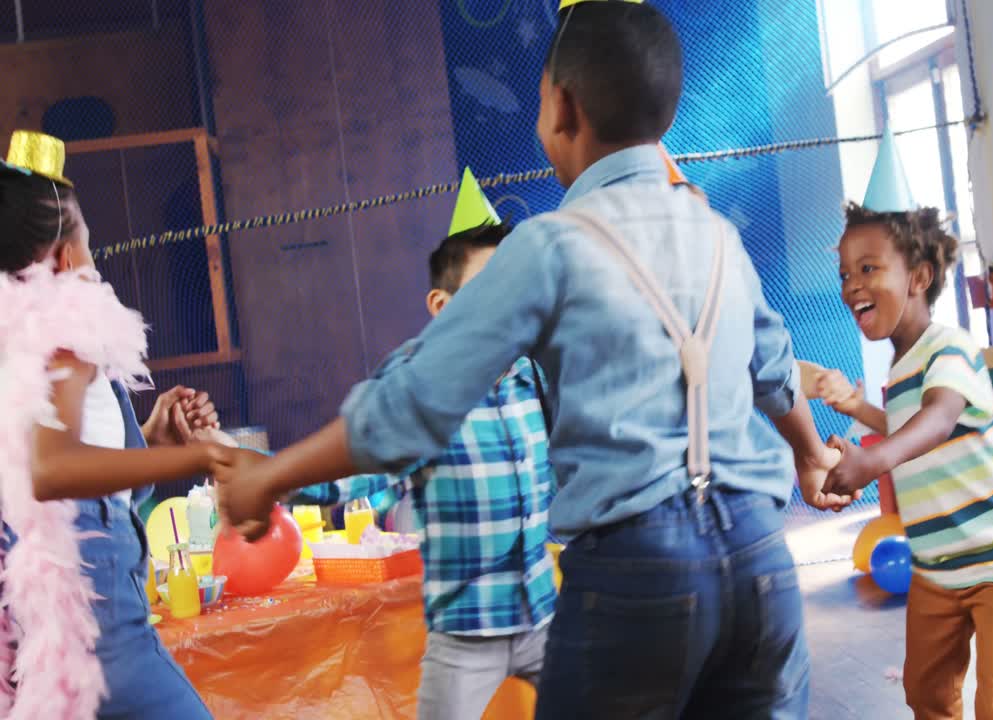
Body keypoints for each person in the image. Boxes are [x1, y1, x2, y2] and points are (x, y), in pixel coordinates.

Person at [214, 2, 849, 717]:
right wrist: (806, 452)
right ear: (666, 115)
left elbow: (411, 406)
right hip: (763, 563)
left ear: (559, 106)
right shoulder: (718, 236)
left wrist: (270, 474)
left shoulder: (551, 246)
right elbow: (771, 366)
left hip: (639, 573)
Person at [290, 209, 558, 720]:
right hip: (465, 631)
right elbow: (361, 467)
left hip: (543, 617)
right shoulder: (423, 390)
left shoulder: (532, 376)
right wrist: (271, 478)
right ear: (442, 305)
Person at [0, 131, 225, 720]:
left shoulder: (16, 343)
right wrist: (202, 458)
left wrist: (147, 438)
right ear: (67, 259)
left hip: (44, 612)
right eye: (90, 243)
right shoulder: (66, 330)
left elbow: (44, 459)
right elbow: (54, 469)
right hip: (96, 611)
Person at [819, 203, 993, 720]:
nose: (852, 285)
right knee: (926, 692)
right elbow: (909, 426)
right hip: (937, 564)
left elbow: (939, 419)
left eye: (868, 268)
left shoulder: (950, 348)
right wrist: (860, 411)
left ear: (919, 277)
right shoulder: (901, 368)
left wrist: (873, 461)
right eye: (844, 274)